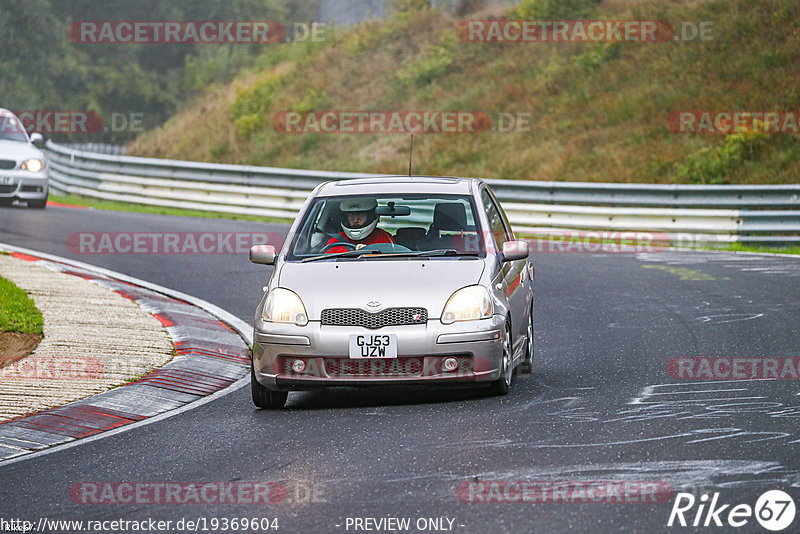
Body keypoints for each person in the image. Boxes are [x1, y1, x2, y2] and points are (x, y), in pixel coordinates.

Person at [324, 198, 394, 253]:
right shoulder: (335, 241)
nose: (355, 220)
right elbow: (326, 263)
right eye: (351, 215)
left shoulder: (384, 238)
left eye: (360, 215)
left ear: (371, 216)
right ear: (345, 218)